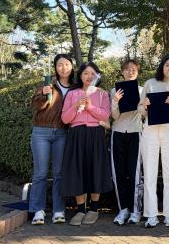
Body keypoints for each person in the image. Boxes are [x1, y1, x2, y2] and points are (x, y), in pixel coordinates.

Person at [61, 62, 112, 226]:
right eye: (85, 73)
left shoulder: (102, 94)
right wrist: (76, 105)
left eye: (92, 74)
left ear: (97, 76)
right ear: (80, 76)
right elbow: (65, 119)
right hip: (76, 135)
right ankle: (80, 210)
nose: (89, 76)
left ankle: (94, 209)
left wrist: (90, 107)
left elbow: (105, 115)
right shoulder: (72, 94)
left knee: (95, 169)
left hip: (96, 134)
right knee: (78, 170)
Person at [138, 54, 169, 228]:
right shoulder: (150, 83)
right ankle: (151, 215)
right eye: (167, 65)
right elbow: (140, 109)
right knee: (149, 173)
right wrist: (145, 105)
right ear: (162, 67)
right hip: (150, 129)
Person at [29, 54, 74, 225]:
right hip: (41, 132)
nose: (64, 67)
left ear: (71, 66)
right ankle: (38, 210)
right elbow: (36, 105)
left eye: (67, 64)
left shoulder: (75, 87)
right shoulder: (48, 84)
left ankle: (59, 210)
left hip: (62, 133)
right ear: (55, 68)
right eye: (60, 64)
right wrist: (43, 94)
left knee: (59, 173)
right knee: (40, 173)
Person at [110, 59, 143, 226]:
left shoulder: (142, 90)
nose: (130, 72)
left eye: (134, 69)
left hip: (136, 132)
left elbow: (144, 114)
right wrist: (115, 101)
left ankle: (136, 210)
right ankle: (123, 209)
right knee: (119, 173)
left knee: (135, 173)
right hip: (117, 132)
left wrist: (142, 104)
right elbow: (114, 116)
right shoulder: (114, 90)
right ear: (122, 72)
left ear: (137, 72)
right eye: (127, 69)